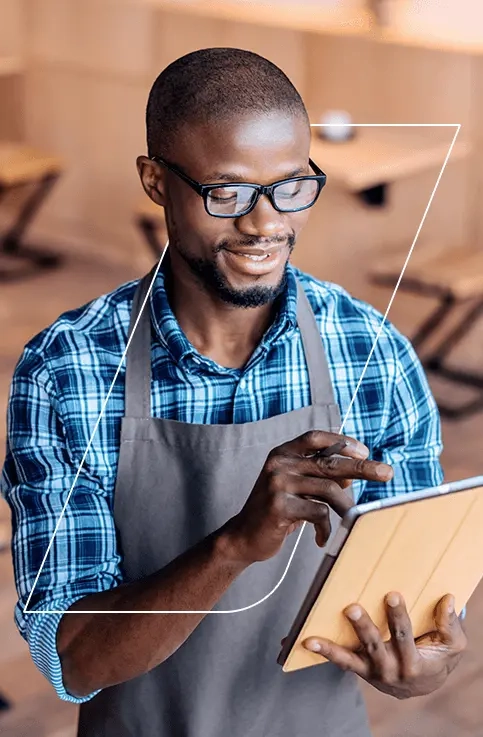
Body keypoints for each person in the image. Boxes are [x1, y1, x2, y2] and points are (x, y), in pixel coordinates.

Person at [0, 48, 466, 737]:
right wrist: (236, 543)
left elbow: (423, 618)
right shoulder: (65, 372)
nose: (265, 223)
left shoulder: (373, 354)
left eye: (291, 186)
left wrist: (422, 664)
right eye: (227, 192)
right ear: (155, 180)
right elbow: (73, 662)